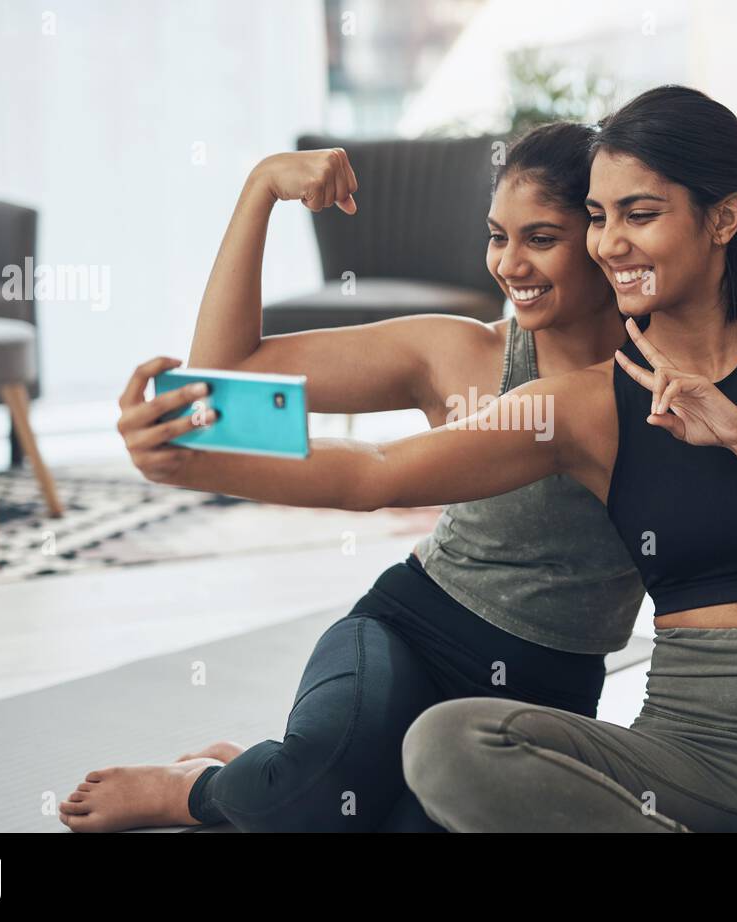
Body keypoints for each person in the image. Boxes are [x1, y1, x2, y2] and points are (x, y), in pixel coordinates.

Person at [81, 85, 737, 832]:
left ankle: (272, 777)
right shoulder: (540, 388)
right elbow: (365, 466)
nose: (605, 243)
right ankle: (227, 786)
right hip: (535, 678)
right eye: (598, 218)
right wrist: (191, 456)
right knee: (380, 774)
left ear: (723, 218)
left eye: (623, 218)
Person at [59, 122, 646, 833]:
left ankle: (273, 768)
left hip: (550, 688)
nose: (510, 264)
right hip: (410, 631)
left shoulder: (656, 383)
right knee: (310, 798)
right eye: (498, 237)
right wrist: (261, 189)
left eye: (540, 238)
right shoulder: (459, 355)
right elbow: (224, 387)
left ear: (602, 237)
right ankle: (201, 786)